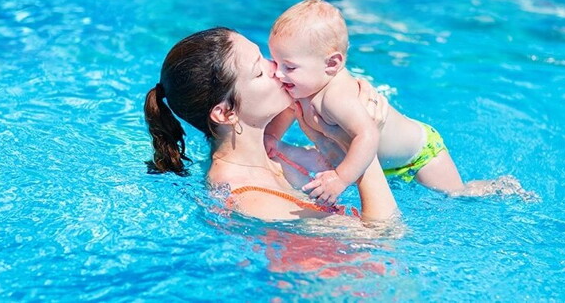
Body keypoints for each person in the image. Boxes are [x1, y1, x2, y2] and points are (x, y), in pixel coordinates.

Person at [144, 27, 399, 221]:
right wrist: (363, 138)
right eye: (258, 71)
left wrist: (347, 106)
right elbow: (382, 239)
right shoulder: (252, 199)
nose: (276, 69)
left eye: (263, 56)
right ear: (226, 113)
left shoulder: (272, 152)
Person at [265, 0, 481, 206]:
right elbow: (287, 111)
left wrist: (341, 179)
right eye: (275, 62)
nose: (279, 73)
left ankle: (492, 188)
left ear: (331, 64)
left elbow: (367, 135)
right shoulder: (304, 85)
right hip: (381, 166)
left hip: (420, 157)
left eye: (289, 67)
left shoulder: (335, 96)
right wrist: (271, 137)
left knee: (457, 196)